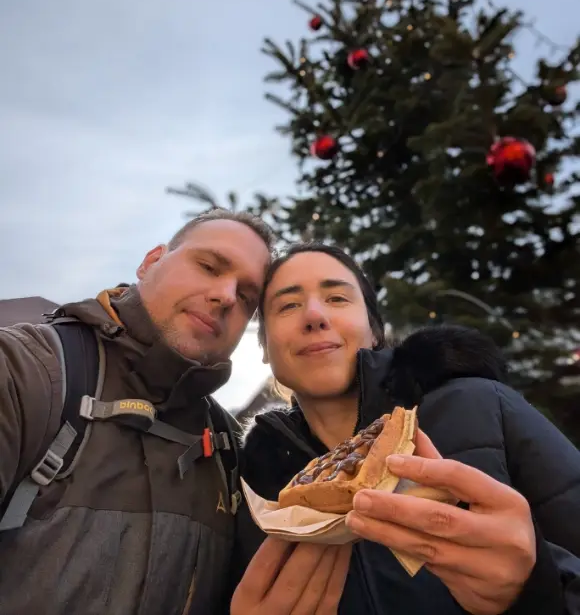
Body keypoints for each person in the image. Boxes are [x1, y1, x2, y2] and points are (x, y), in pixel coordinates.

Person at [0, 211, 350, 615]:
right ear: (151, 261)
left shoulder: (230, 451)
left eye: (247, 297)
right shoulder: (24, 372)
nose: (226, 296)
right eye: (209, 266)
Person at [240, 242, 580, 615]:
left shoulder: (481, 405)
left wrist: (533, 591)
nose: (314, 316)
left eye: (337, 298)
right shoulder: (257, 489)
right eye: (288, 305)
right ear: (265, 348)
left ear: (373, 330)